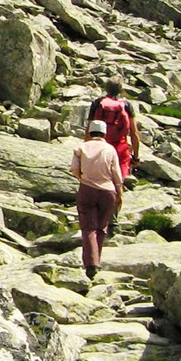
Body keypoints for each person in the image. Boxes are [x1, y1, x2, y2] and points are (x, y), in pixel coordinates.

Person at [70, 119, 124, 280]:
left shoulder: (81, 147)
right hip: (108, 191)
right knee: (102, 227)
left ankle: (91, 264)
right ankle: (97, 260)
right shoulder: (110, 149)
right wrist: (119, 192)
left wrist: (83, 178)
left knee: (88, 228)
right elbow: (116, 173)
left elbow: (74, 169)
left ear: (89, 133)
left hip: (87, 189)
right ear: (104, 133)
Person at [88, 77, 141, 179]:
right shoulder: (126, 105)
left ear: (106, 89)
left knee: (100, 180)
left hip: (100, 147)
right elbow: (134, 133)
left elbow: (88, 131)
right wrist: (136, 157)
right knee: (118, 180)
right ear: (121, 90)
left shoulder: (97, 104)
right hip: (120, 148)